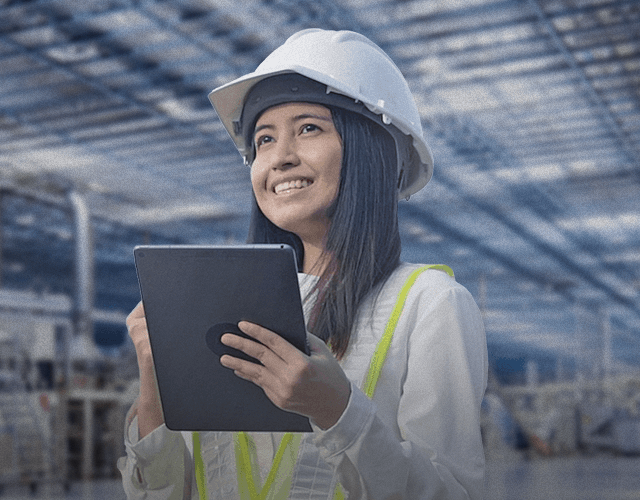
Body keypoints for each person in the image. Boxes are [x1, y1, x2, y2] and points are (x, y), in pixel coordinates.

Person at [119, 28, 488, 500]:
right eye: (264, 139)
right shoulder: (224, 303)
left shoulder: (430, 305)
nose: (280, 158)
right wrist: (154, 397)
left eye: (309, 128)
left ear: (371, 149)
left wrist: (339, 412)